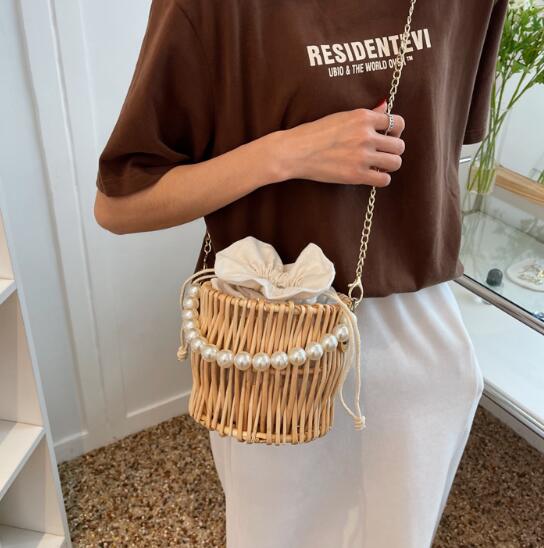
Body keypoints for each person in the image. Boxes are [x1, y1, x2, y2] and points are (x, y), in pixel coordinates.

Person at [94, 0, 508, 546]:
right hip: (274, 347)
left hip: (417, 345)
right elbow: (119, 206)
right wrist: (287, 152)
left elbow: (444, 147)